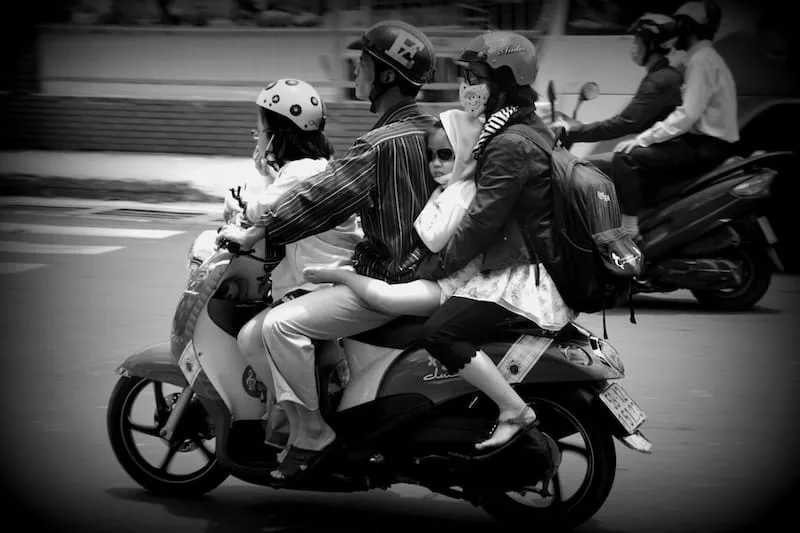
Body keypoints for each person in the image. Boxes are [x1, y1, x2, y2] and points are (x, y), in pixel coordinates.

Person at [215, 20, 439, 482]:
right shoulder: (433, 129)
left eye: (363, 65)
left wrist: (260, 230)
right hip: (426, 273)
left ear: (386, 77)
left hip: (387, 279)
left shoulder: (379, 145)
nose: (355, 72)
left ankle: (313, 432)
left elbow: (323, 199)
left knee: (278, 325)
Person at [414, 30, 570, 462]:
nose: (467, 87)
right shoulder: (520, 127)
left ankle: (514, 411)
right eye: (465, 76)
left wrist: (433, 266)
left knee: (440, 333)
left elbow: (481, 222)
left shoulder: (509, 143)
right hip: (521, 265)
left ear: (504, 79)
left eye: (475, 76)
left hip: (520, 276)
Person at [303, 108, 483, 317]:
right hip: (444, 277)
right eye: (430, 155)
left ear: (465, 152)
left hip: (454, 284)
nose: (435, 164)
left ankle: (342, 277)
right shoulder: (449, 188)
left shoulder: (462, 192)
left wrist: (429, 206)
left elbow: (433, 239)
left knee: (387, 299)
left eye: (445, 155)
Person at [611, 0, 739, 239]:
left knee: (625, 158)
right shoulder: (701, 58)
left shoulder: (702, 61)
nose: (673, 34)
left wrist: (645, 139)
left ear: (688, 28)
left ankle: (629, 229)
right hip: (707, 145)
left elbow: (687, 114)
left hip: (705, 148)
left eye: (678, 26)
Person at [553, 12, 683, 175]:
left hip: (660, 153)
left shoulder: (658, 81)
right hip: (661, 149)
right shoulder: (663, 75)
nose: (634, 46)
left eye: (638, 41)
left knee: (584, 171)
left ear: (651, 45)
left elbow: (623, 123)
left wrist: (573, 131)